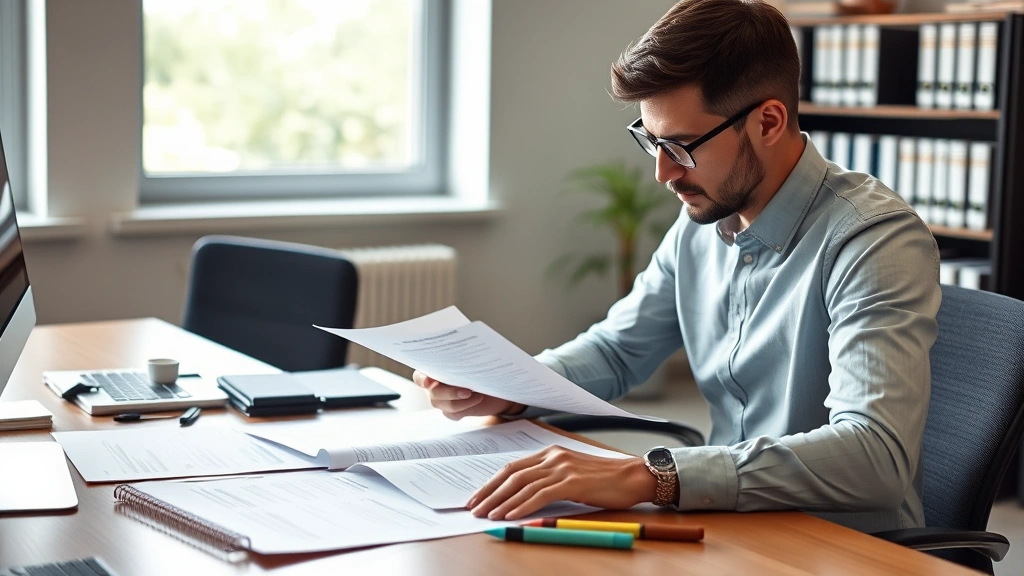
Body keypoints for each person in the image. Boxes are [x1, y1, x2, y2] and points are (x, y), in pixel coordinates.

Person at [413, 0, 940, 534]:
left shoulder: (873, 239)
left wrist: (654, 476)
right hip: (734, 527)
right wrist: (514, 386)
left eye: (682, 146)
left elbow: (875, 456)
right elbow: (618, 350)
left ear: (769, 121)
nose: (663, 172)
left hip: (844, 546)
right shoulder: (704, 220)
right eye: (651, 140)